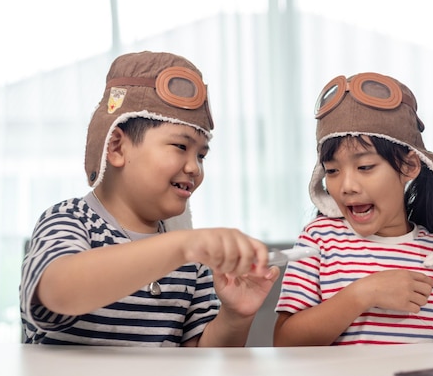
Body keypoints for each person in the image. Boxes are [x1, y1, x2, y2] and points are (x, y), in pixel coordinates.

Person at [20, 51, 279, 346]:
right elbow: (59, 292)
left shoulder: (190, 259)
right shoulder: (68, 220)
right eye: (181, 146)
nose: (194, 167)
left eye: (202, 155)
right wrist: (183, 246)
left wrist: (235, 316)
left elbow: (200, 356)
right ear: (117, 147)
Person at [273, 72, 433, 346]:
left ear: (409, 166)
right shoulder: (317, 242)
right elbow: (285, 344)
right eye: (332, 171)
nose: (346, 186)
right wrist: (363, 294)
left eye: (365, 167)